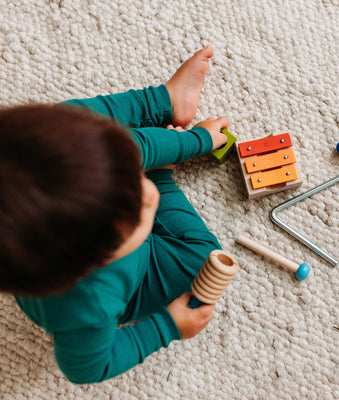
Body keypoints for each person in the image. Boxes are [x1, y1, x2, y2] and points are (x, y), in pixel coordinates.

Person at [0, 45, 229, 384]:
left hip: (66, 185)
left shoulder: (76, 153)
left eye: (137, 180)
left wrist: (199, 141)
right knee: (201, 261)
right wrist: (165, 327)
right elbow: (87, 369)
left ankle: (165, 99)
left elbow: (140, 148)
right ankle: (159, 172)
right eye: (138, 211)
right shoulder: (89, 305)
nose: (147, 196)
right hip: (125, 273)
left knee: (77, 120)